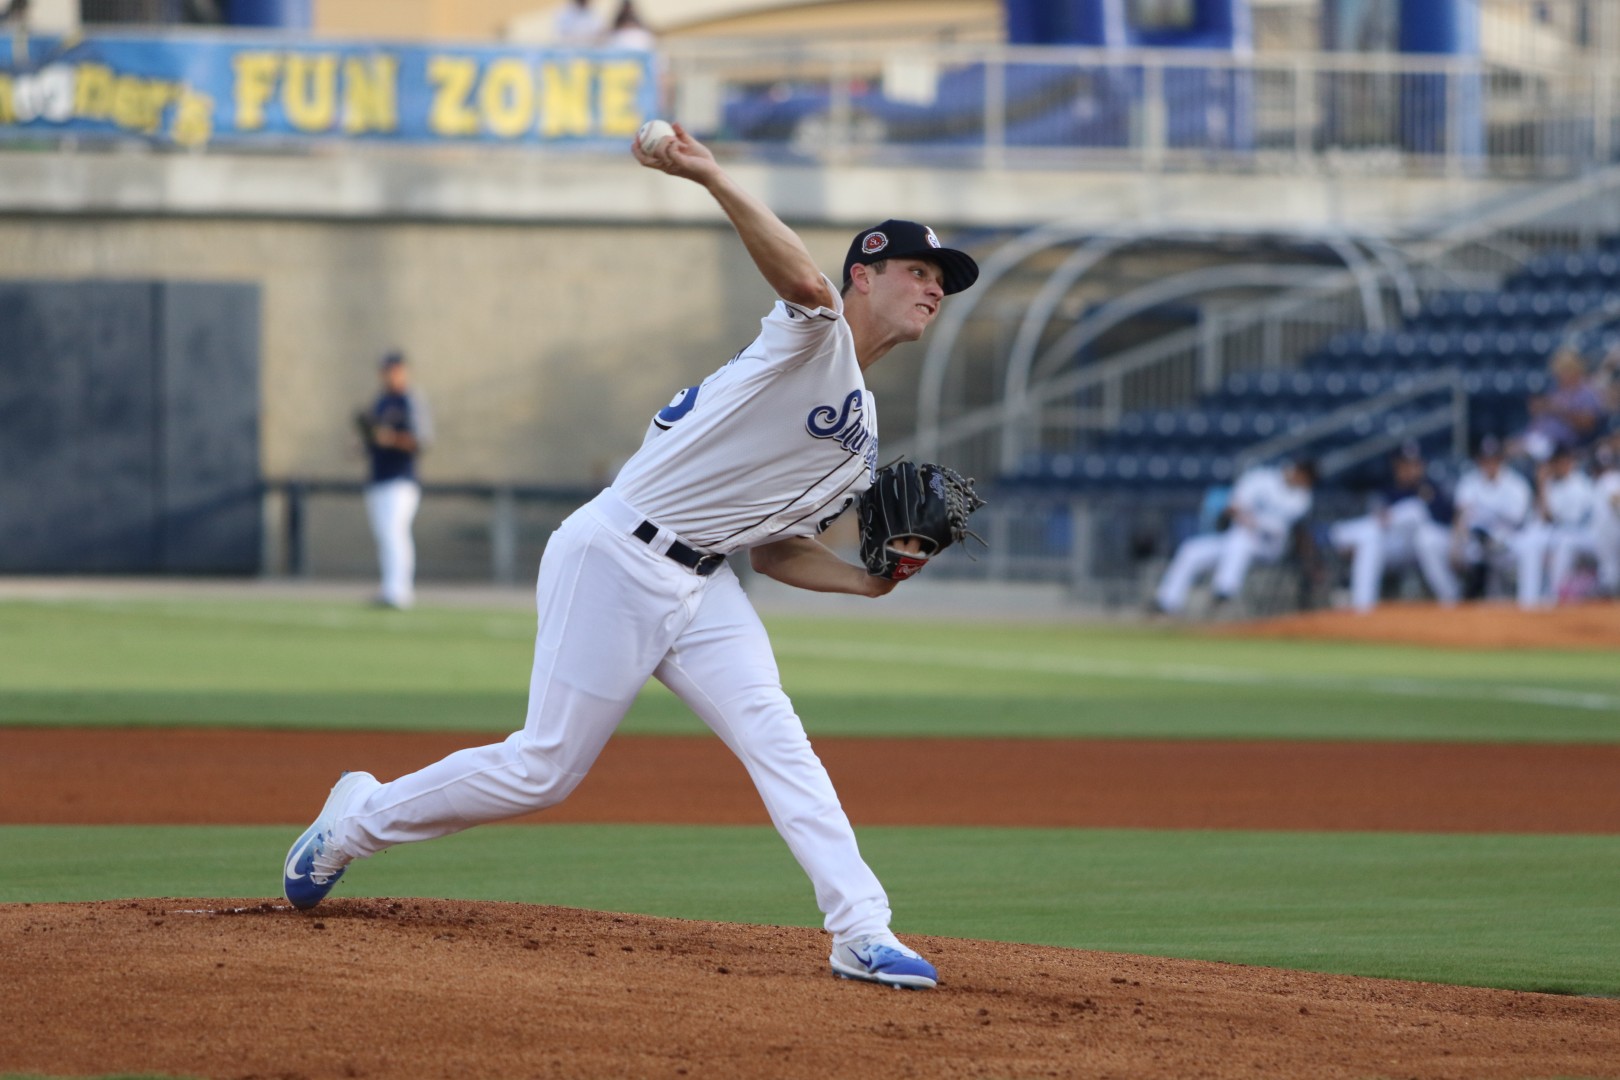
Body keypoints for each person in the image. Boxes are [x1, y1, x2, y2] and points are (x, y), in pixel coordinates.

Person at [283, 123, 981, 992]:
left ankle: (860, 929)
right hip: (617, 552)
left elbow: (772, 551)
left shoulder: (860, 440)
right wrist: (711, 175)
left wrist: (867, 581)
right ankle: (354, 822)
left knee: (782, 742)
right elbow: (802, 279)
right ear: (863, 277)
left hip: (708, 584)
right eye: (920, 271)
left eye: (943, 281)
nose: (934, 289)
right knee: (544, 770)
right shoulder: (812, 335)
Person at [1152, 458, 1316, 616]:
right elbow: (1234, 505)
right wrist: (1244, 517)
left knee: (1241, 541)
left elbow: (1279, 528)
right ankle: (1167, 603)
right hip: (1235, 539)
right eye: (1304, 478)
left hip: (1268, 547)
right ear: (1298, 471)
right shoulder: (1261, 478)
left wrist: (1254, 521)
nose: (1304, 483)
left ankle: (1224, 593)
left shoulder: (1303, 498)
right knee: (1191, 550)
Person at [1327, 442, 1458, 613]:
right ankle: (1362, 610)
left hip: (1429, 546)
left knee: (1415, 510)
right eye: (1405, 464)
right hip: (1398, 547)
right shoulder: (1387, 490)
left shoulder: (1432, 489)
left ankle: (1346, 533)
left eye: (1415, 464)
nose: (1410, 469)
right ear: (1396, 466)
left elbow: (1447, 521)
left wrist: (1426, 499)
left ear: (1422, 465)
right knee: (1370, 540)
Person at [359, 352, 432, 610]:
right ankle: (389, 586)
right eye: (385, 370)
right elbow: (373, 439)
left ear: (403, 371)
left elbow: (421, 441)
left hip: (401, 480)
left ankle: (400, 590)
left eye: (393, 370)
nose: (389, 375)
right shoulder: (380, 401)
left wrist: (391, 439)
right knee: (385, 535)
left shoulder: (409, 400)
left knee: (395, 533)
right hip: (378, 478)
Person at [1509, 444, 1596, 609]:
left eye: (1564, 461)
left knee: (1562, 547)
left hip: (1581, 534)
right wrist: (1542, 485)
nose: (1560, 466)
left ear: (1571, 462)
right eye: (1556, 462)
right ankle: (1528, 602)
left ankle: (1555, 601)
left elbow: (1551, 518)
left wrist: (1541, 484)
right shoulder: (1551, 482)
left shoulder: (1579, 485)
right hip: (1556, 532)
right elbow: (1541, 517)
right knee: (1529, 544)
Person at [1450, 435, 1532, 601]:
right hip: (1477, 544)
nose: (1489, 463)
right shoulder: (1469, 482)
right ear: (1478, 460)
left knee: (1526, 547)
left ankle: (1528, 602)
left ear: (1501, 460)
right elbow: (1461, 515)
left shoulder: (1517, 484)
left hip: (1510, 542)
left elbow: (1518, 521)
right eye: (1485, 459)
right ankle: (1458, 599)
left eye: (1494, 459)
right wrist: (1456, 545)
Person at [1548, 440, 1620, 601]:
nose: (1603, 471)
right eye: (1600, 468)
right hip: (1593, 536)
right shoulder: (1590, 484)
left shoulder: (1610, 480)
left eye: (1606, 466)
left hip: (1604, 536)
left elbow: (1615, 498)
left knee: (1568, 542)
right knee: (1567, 542)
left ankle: (1609, 582)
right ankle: (1558, 595)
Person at [1510, 349, 1609, 463]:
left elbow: (1588, 424)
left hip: (1561, 445)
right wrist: (1539, 408)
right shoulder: (1555, 389)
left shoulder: (1587, 392)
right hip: (1537, 437)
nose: (1560, 375)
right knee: (1509, 447)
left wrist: (1556, 410)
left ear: (1576, 370)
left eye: (1565, 370)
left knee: (1522, 454)